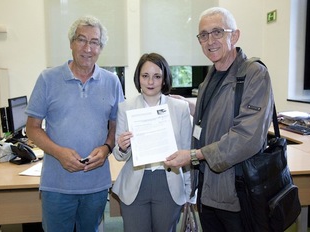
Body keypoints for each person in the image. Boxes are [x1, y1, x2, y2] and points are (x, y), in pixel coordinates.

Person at [165, 7, 274, 232]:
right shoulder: (210, 77)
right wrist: (188, 104)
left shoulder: (254, 74)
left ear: (234, 35)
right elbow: (216, 115)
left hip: (237, 190)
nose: (209, 41)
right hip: (208, 189)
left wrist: (194, 155)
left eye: (217, 32)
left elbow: (247, 137)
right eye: (203, 35)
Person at [25, 16, 124, 232]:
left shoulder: (112, 82)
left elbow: (116, 125)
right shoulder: (47, 79)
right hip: (57, 185)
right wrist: (59, 153)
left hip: (96, 184)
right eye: (81, 40)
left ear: (101, 47)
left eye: (95, 42)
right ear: (71, 43)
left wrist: (107, 148)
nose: (88, 48)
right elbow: (32, 127)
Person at [112, 53, 194, 232]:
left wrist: (189, 191)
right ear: (138, 78)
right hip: (135, 181)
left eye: (157, 76)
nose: (150, 82)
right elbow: (119, 155)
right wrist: (121, 145)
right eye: (145, 76)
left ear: (164, 79)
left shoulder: (180, 108)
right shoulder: (125, 107)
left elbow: (187, 153)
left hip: (168, 181)